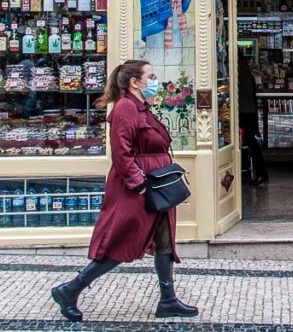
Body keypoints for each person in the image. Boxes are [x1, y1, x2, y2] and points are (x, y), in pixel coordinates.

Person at [51, 60, 198, 322]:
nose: (155, 81)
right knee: (123, 241)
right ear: (135, 81)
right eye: (151, 76)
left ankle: (168, 300)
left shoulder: (141, 107)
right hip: (140, 189)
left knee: (164, 241)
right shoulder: (125, 109)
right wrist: (138, 184)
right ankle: (70, 290)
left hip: (158, 187)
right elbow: (120, 152)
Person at [237, 55, 267, 186]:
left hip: (244, 112)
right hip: (249, 111)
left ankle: (259, 173)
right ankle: (259, 173)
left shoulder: (239, 70)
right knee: (251, 143)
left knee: (250, 143)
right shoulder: (246, 70)